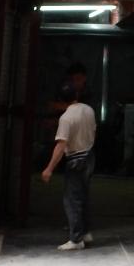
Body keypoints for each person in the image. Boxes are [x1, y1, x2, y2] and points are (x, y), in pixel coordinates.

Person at [40, 78, 96, 250]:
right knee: (83, 196)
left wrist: (49, 169)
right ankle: (86, 232)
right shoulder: (88, 110)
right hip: (89, 156)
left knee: (72, 200)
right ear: (76, 94)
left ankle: (76, 239)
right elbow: (94, 130)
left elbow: (61, 145)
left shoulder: (66, 118)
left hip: (75, 160)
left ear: (60, 100)